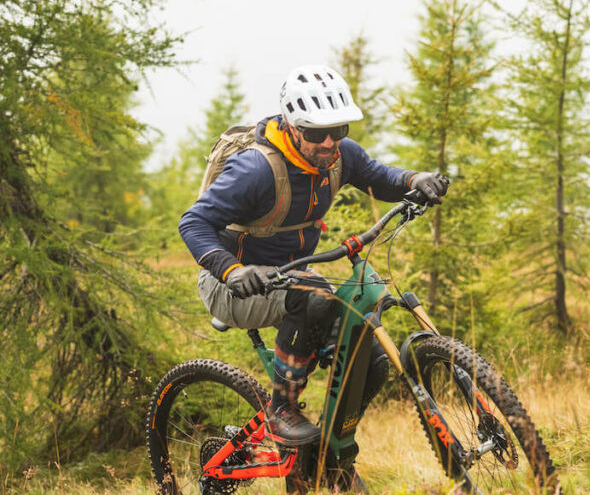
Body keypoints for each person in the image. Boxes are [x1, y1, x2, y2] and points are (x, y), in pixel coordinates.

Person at [179, 64, 448, 449]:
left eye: (338, 130)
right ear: (293, 126)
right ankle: (281, 410)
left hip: (292, 281)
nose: (329, 143)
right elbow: (193, 222)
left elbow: (378, 176)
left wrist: (414, 179)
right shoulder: (255, 169)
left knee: (370, 360)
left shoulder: (340, 156)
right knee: (315, 294)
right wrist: (232, 271)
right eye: (316, 133)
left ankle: (328, 458)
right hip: (231, 287)